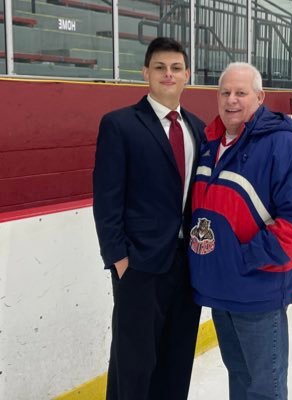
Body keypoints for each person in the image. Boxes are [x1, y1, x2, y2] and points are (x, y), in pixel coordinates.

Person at [188, 62, 292, 400]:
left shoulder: (282, 145)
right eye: (225, 92)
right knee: (240, 378)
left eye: (241, 93)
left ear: (260, 97)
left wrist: (244, 259)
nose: (231, 100)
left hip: (258, 290)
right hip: (221, 290)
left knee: (264, 388)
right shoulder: (209, 144)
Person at [92, 37, 205, 400]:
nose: (168, 74)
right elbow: (107, 199)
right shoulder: (120, 125)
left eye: (175, 68)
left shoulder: (199, 129)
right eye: (160, 68)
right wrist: (120, 260)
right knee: (133, 364)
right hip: (139, 266)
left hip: (187, 266)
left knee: (177, 360)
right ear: (146, 73)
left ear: (187, 74)